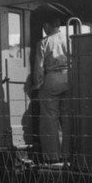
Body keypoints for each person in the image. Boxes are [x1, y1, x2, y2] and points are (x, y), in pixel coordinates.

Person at [33, 12, 70, 163]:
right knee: (67, 118)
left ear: (47, 25)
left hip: (52, 79)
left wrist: (37, 85)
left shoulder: (44, 42)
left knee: (49, 118)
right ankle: (68, 153)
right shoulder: (69, 39)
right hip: (69, 78)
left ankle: (53, 156)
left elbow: (39, 68)